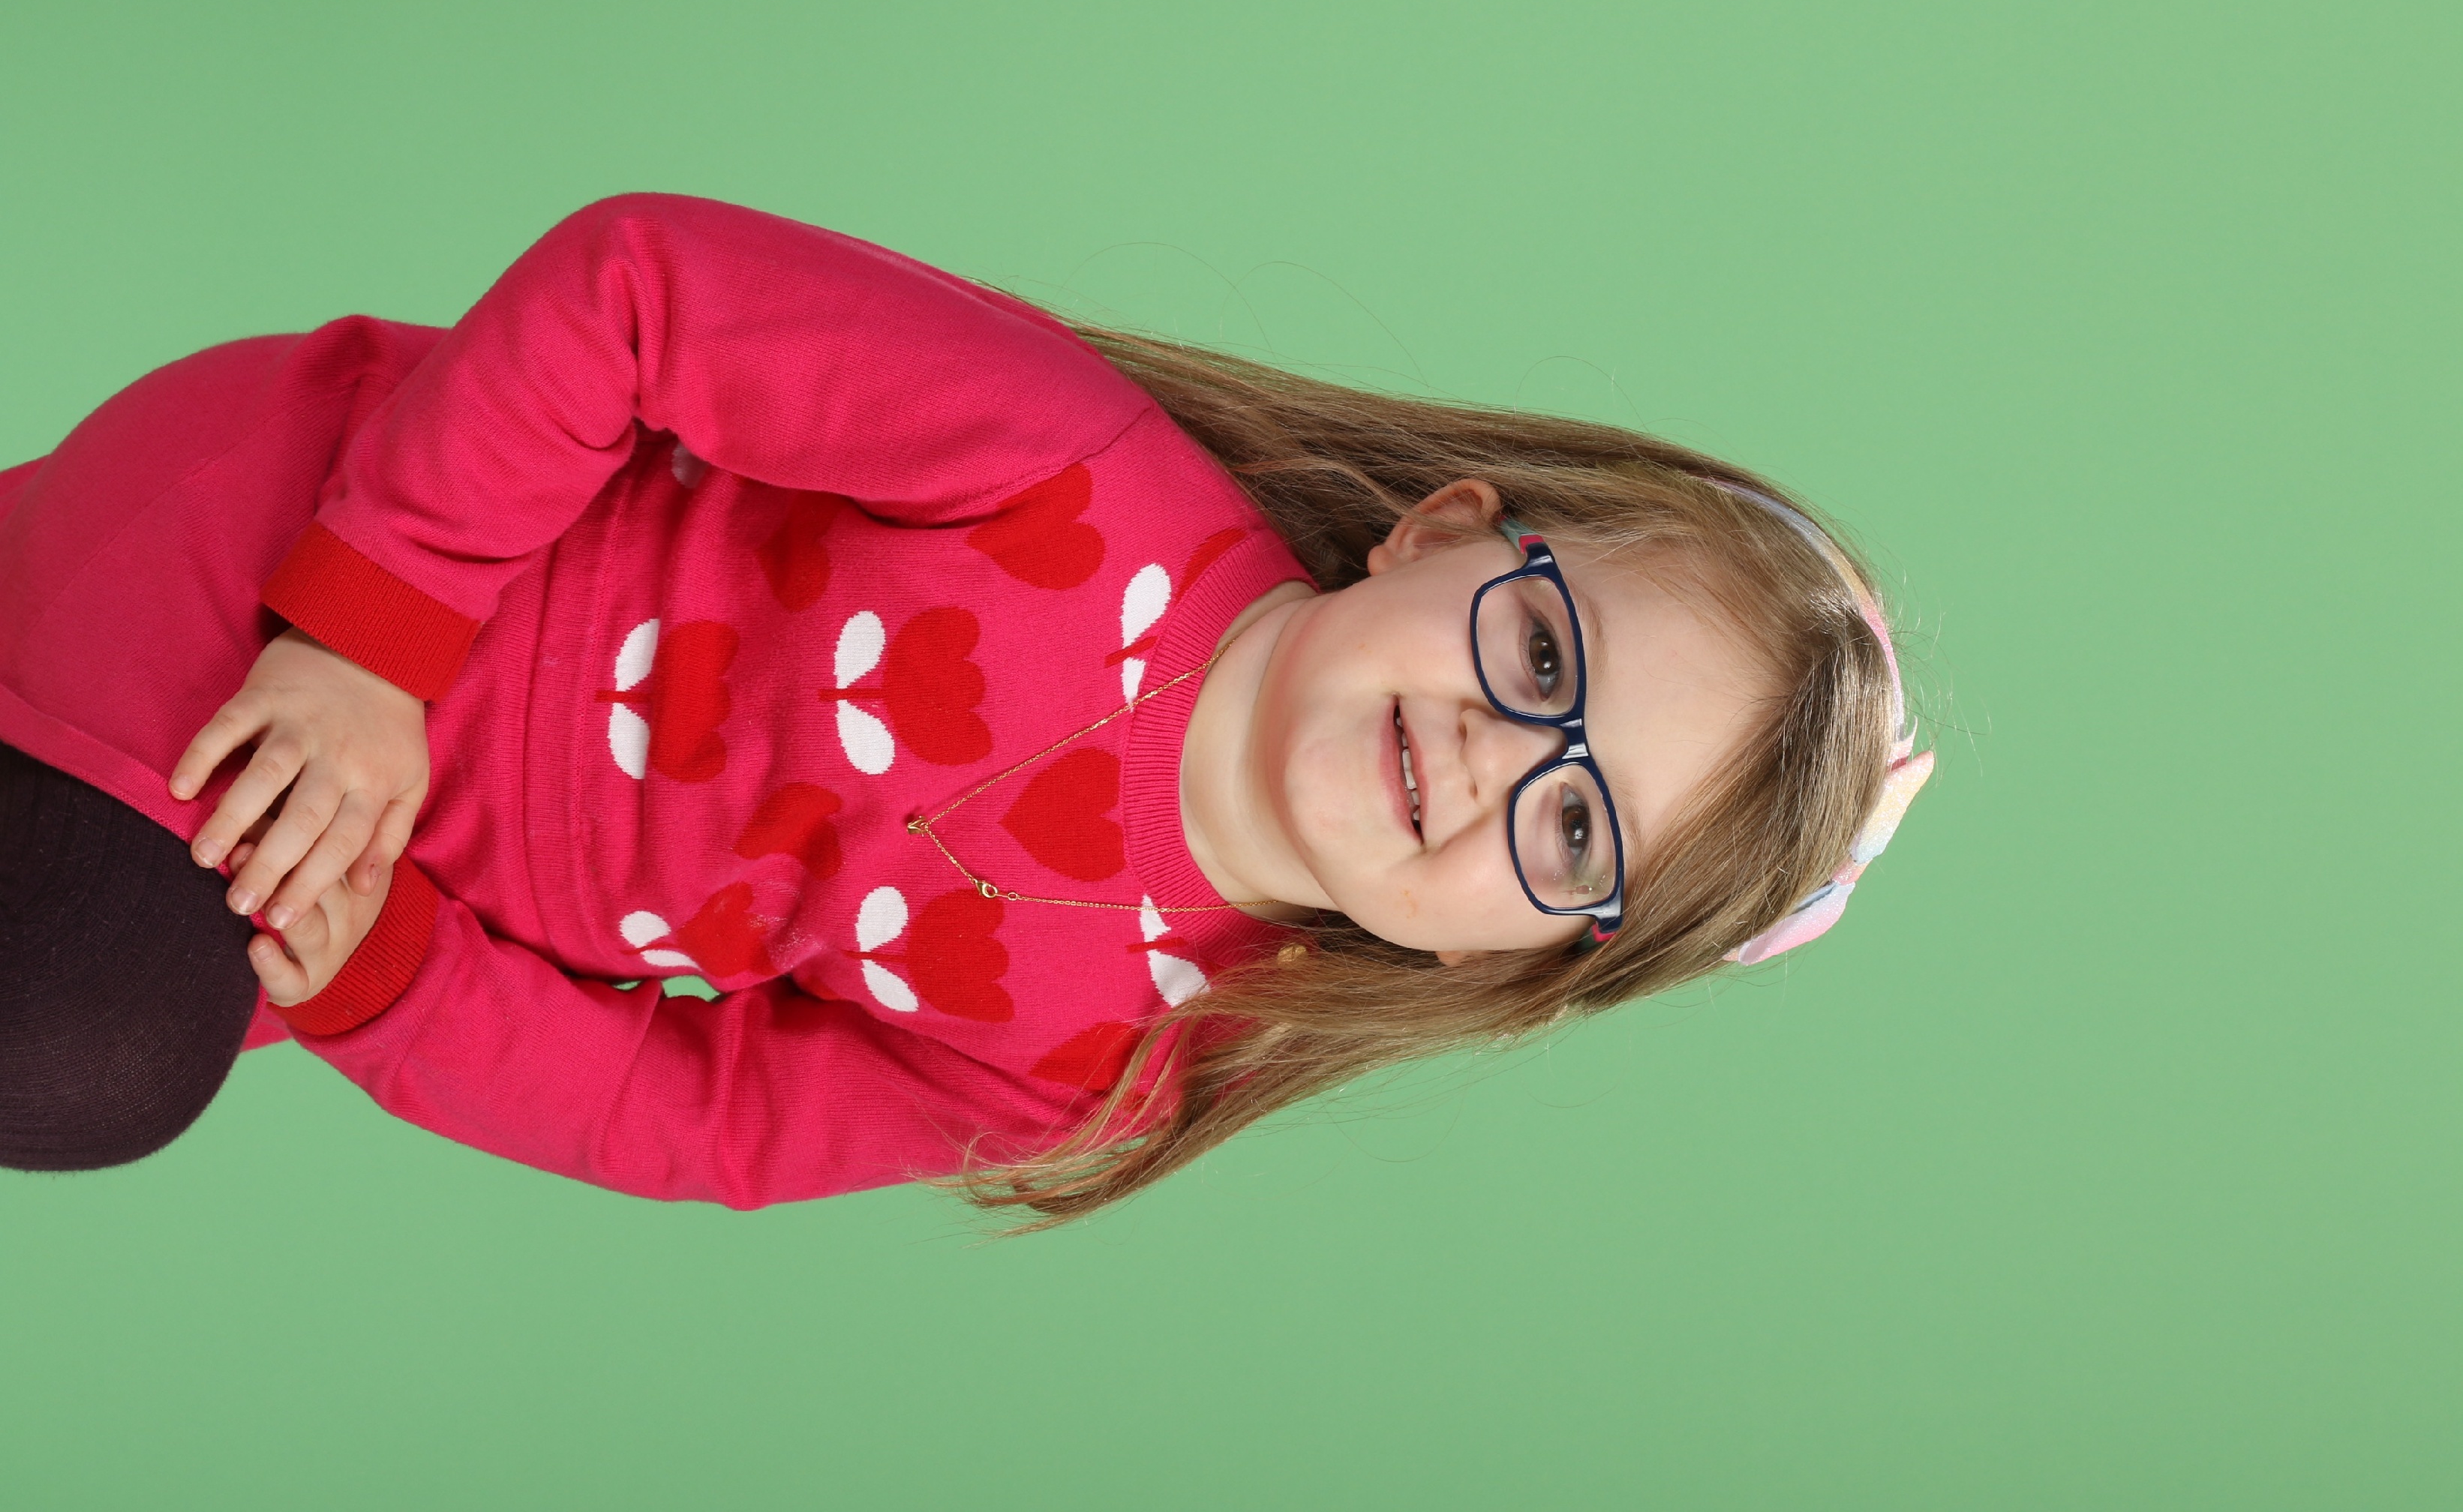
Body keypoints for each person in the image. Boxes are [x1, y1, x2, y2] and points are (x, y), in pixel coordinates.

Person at [0, 194, 1930, 1224]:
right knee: (87, 1052)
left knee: (97, 1045)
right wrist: (364, 638)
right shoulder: (1072, 471)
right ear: (1437, 536)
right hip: (292, 555)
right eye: (1542, 659)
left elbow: (702, 1119)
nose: (1503, 757)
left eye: (1576, 828)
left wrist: (395, 982)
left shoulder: (1100, 1062)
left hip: (309, 863)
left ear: (1507, 961)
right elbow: (637, 289)